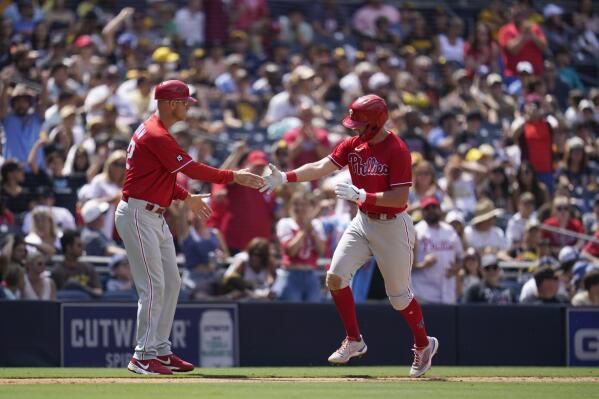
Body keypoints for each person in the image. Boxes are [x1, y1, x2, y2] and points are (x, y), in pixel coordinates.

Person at [261, 94, 438, 377]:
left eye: (360, 122)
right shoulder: (354, 144)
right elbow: (321, 166)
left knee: (399, 298)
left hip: (393, 225)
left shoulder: (397, 148)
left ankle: (423, 344)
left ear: (375, 122)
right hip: (363, 220)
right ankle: (354, 340)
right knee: (334, 277)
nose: (354, 127)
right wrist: (285, 177)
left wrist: (362, 194)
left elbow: (400, 198)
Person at [114, 79, 263, 375]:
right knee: (154, 286)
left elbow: (160, 176)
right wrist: (234, 176)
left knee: (172, 282)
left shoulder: (157, 130)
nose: (188, 107)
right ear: (170, 104)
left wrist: (186, 196)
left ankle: (159, 349)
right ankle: (142, 354)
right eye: (184, 102)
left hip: (153, 214)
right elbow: (192, 168)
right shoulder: (156, 134)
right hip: (137, 213)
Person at [272, 192, 326, 302]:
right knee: (292, 312)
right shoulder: (285, 223)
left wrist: (312, 231)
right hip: (291, 273)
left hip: (311, 273)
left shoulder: (317, 224)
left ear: (310, 208)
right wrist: (303, 231)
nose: (300, 208)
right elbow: (290, 251)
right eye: (296, 204)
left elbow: (321, 251)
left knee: (313, 312)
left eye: (304, 205)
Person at [412, 196, 463, 304]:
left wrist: (455, 268)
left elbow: (460, 258)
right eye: (427, 208)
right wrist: (423, 264)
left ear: (440, 209)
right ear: (422, 212)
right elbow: (405, 268)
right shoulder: (416, 232)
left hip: (447, 292)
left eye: (434, 207)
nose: (431, 211)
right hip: (423, 294)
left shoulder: (450, 231)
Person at [51, 229, 102, 297]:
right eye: (79, 245)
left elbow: (98, 291)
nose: (83, 248)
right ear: (68, 247)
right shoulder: (57, 271)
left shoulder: (88, 268)